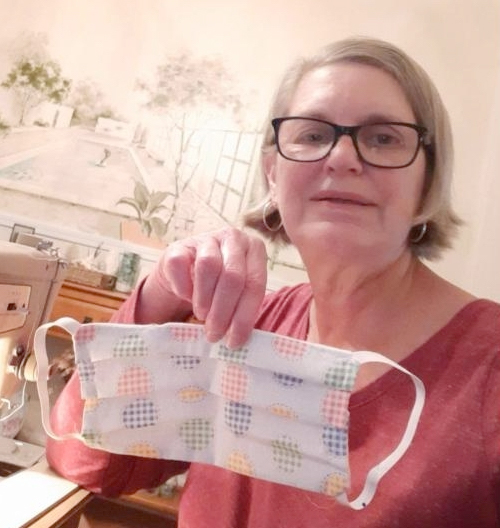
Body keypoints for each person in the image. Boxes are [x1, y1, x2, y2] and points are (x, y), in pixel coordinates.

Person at [46, 36, 500, 527]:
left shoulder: (488, 371)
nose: (343, 158)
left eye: (383, 138)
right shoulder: (240, 330)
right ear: (273, 175)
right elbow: (88, 462)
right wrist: (159, 294)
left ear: (427, 182)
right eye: (312, 135)